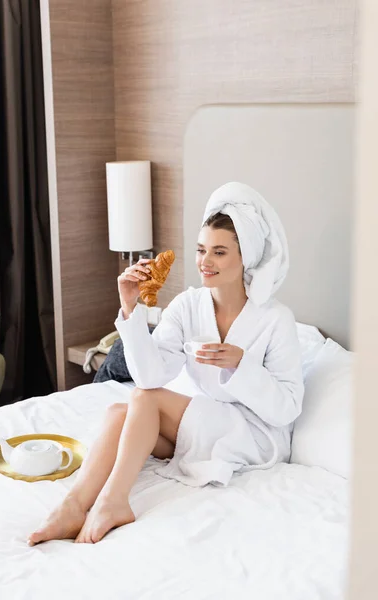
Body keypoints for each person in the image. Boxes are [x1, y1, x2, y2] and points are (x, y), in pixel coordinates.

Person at [27, 182, 304, 546]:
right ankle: (73, 506)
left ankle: (113, 500)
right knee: (117, 413)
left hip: (255, 434)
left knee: (145, 402)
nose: (205, 261)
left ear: (246, 257)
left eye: (219, 252)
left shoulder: (275, 319)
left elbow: (287, 409)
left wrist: (242, 365)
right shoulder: (188, 306)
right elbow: (148, 376)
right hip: (208, 425)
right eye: (201, 249)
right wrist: (131, 307)